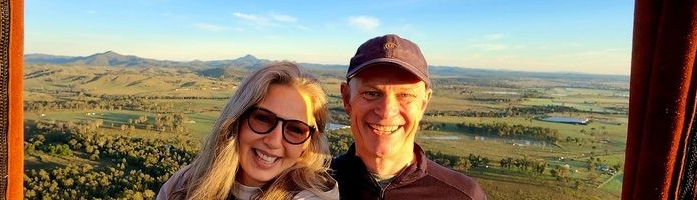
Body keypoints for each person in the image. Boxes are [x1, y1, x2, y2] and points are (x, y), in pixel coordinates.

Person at [331, 34, 487, 199]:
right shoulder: (315, 186)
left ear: (423, 103)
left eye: (405, 95)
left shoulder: (463, 195)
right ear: (347, 99)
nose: (386, 112)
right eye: (371, 93)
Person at [157, 61, 339, 200]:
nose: (274, 141)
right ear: (237, 119)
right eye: (263, 118)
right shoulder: (183, 184)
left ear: (309, 143)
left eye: (296, 129)